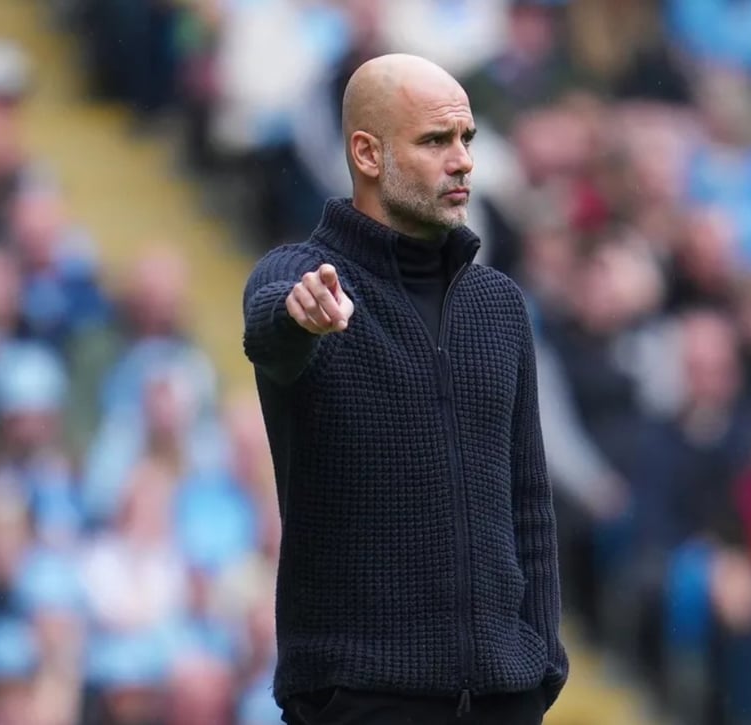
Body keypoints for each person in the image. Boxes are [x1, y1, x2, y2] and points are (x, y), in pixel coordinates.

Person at [241, 53, 568, 725]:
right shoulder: (305, 275)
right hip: (363, 700)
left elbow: (530, 504)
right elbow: (269, 327)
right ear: (367, 153)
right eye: (435, 140)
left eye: (467, 139)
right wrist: (300, 314)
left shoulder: (499, 304)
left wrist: (541, 665)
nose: (463, 161)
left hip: (504, 699)